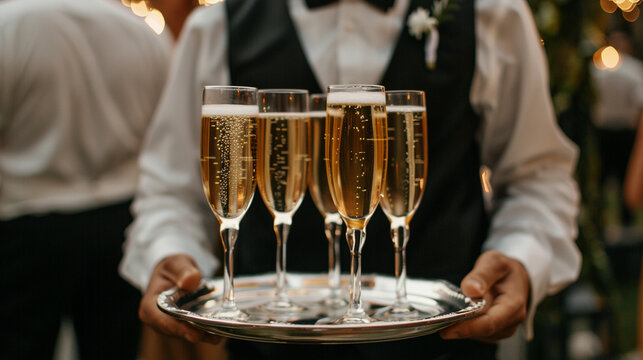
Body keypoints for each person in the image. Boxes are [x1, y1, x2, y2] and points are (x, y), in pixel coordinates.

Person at [120, 0, 581, 358]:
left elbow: (536, 176)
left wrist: (522, 260)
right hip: (268, 353)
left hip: (441, 350)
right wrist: (170, 255)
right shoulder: (217, 24)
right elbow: (170, 189)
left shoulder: (489, 13)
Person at [0, 0, 171, 358]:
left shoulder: (9, 24)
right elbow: (166, 133)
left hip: (26, 222)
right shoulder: (142, 29)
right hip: (121, 221)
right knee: (113, 348)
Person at [591, 29, 643, 227]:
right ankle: (624, 222)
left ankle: (601, 222)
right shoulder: (634, 69)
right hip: (622, 130)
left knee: (607, 178)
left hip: (608, 130)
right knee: (620, 178)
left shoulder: (596, 69)